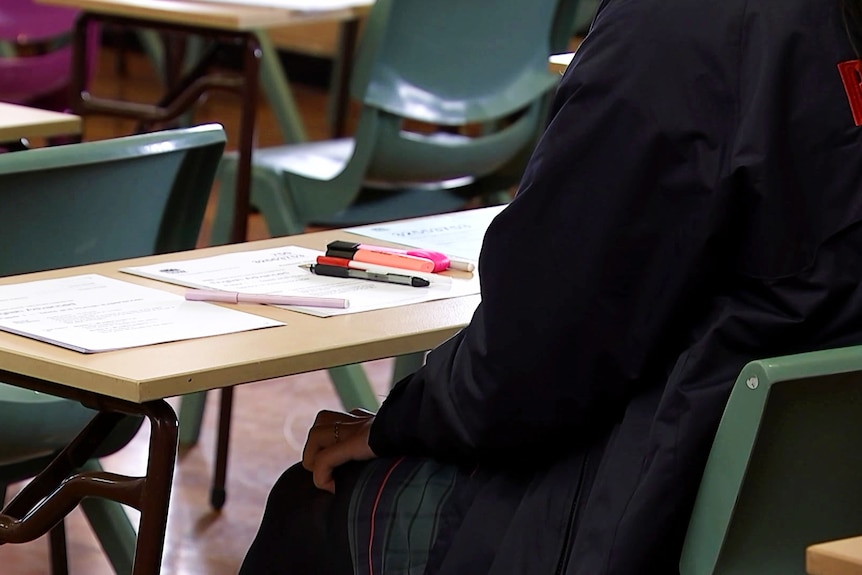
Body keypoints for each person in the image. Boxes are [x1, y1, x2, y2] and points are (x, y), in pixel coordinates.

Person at [239, 0, 862, 573]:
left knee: (309, 505)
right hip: (811, 506)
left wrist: (394, 424)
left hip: (649, 508)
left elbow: (528, 362)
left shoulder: (674, 34)